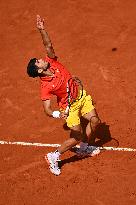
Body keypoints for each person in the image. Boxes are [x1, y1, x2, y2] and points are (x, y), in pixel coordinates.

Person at [27, 15, 101, 176]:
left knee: (95, 121)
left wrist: (42, 29)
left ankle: (83, 148)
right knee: (76, 136)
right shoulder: (45, 87)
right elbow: (46, 109)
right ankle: (54, 155)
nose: (41, 59)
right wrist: (57, 114)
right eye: (38, 62)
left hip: (80, 95)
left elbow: (48, 44)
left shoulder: (52, 61)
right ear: (39, 70)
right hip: (69, 107)